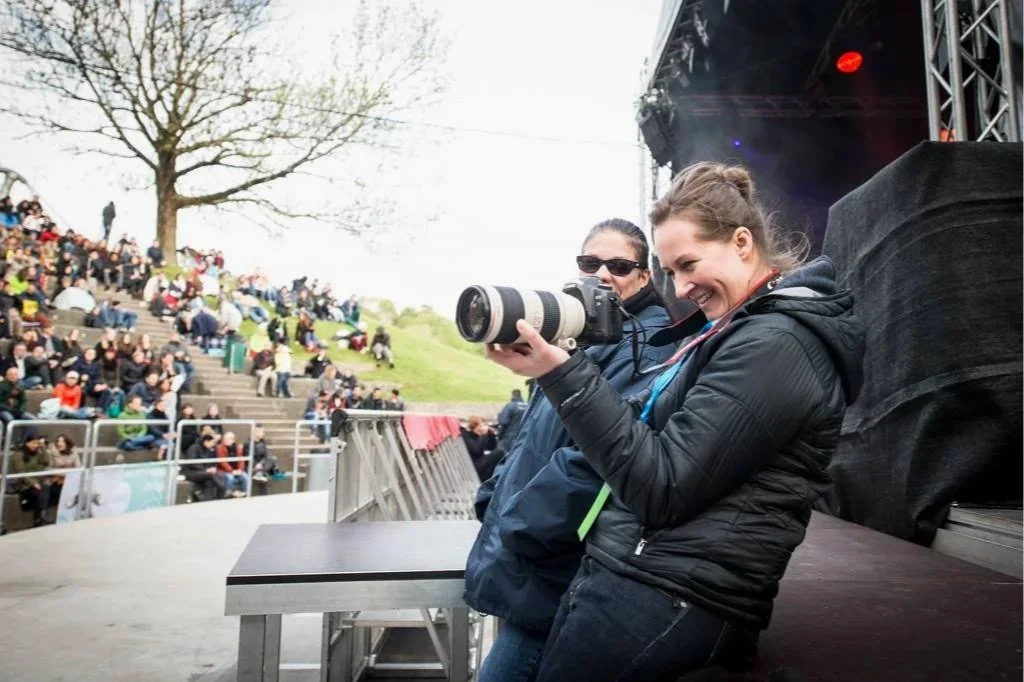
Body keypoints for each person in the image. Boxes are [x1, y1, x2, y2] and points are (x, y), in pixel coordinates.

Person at [483, 163, 865, 681]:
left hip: (668, 595)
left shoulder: (778, 342)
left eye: (688, 264)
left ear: (742, 242)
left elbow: (662, 485)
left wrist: (562, 373)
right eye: (672, 272)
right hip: (642, 582)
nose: (681, 287)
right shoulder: (738, 331)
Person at [464, 217, 678, 682]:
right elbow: (532, 439)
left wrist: (517, 526)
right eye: (590, 262)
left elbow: (599, 459)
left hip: (560, 565)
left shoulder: (650, 344)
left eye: (619, 266)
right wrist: (493, 499)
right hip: (532, 555)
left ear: (645, 277)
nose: (602, 274)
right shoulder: (578, 335)